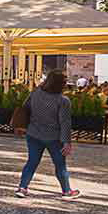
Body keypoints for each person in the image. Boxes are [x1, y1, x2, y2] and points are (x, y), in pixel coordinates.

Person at [15, 71, 79, 199]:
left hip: (33, 133)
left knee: (32, 162)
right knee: (60, 164)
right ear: (62, 84)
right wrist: (67, 142)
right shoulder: (63, 101)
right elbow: (65, 122)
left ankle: (22, 188)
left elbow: (25, 107)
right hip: (54, 137)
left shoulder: (35, 93)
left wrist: (22, 125)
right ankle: (66, 191)